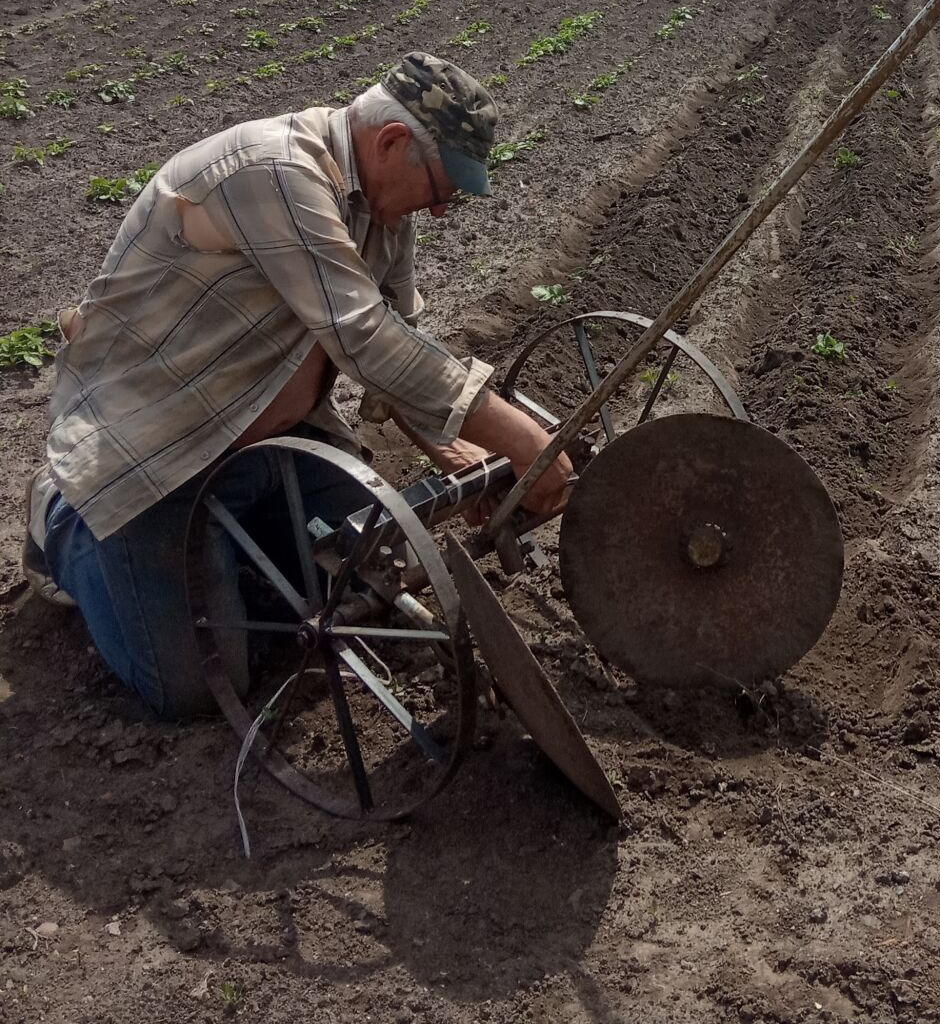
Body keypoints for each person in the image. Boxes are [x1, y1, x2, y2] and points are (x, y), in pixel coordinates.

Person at [22, 51, 569, 718]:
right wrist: (520, 435)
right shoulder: (275, 168)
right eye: (442, 186)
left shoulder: (383, 213)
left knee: (371, 559)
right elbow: (364, 337)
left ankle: (221, 556)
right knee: (193, 691)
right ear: (393, 142)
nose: (444, 209)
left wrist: (455, 453)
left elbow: (402, 342)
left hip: (275, 441)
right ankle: (64, 523)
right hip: (161, 455)